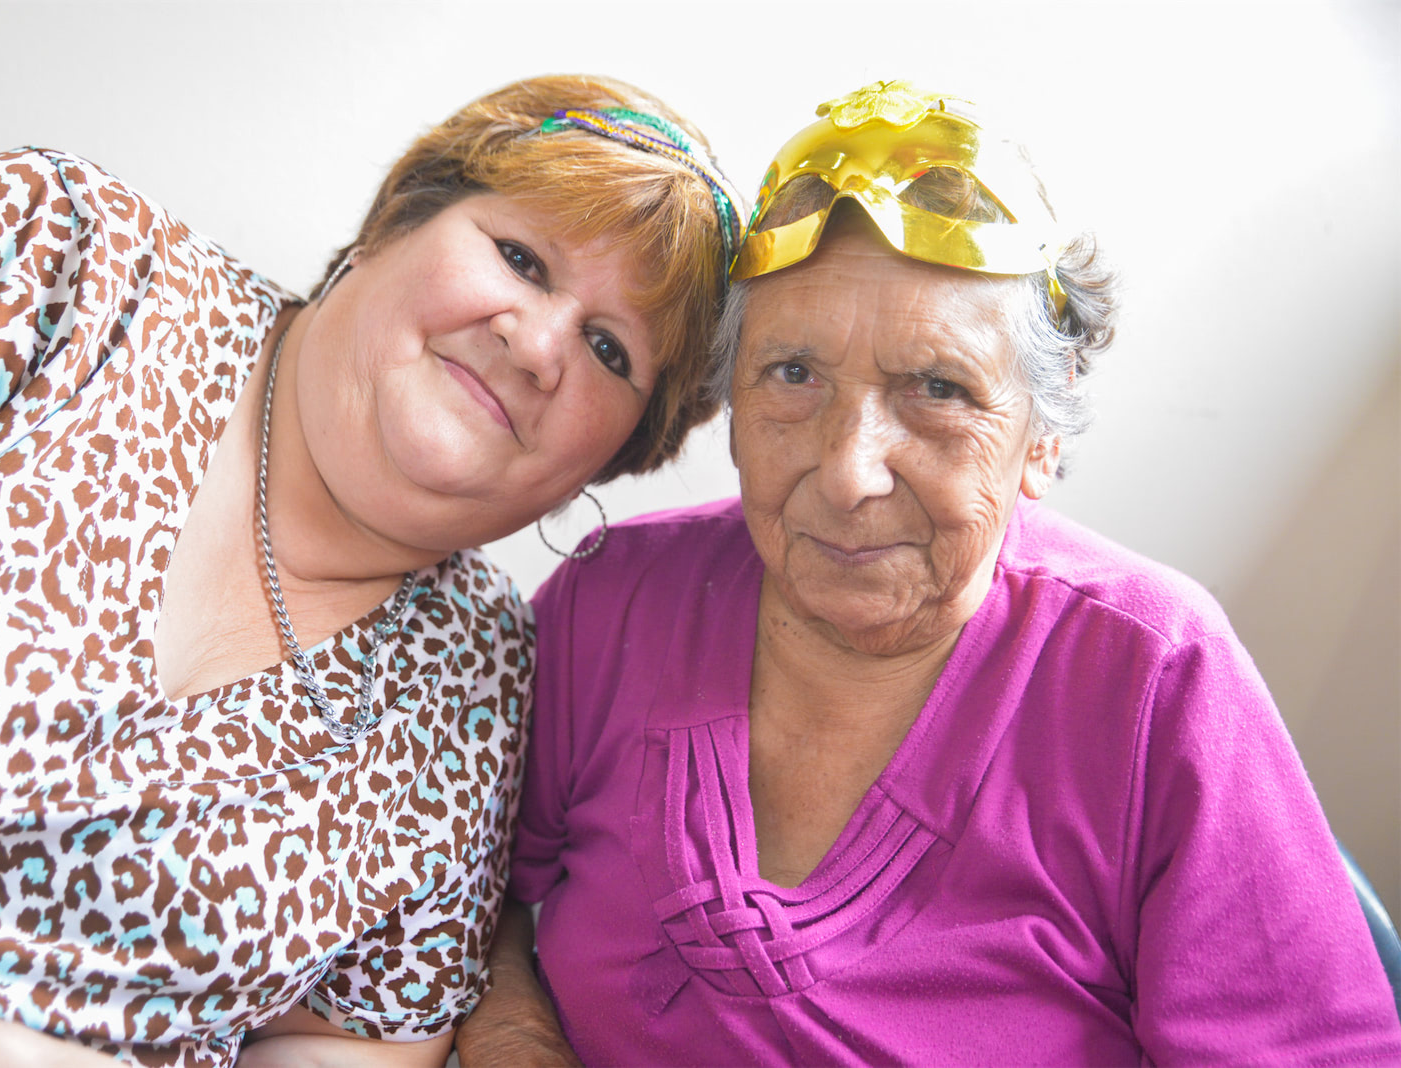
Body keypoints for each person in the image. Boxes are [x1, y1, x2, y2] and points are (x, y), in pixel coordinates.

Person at [0, 74, 740, 1068]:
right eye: (521, 258)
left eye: (608, 349)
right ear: (394, 222)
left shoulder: (483, 676)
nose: (540, 346)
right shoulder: (56, 258)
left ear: (610, 459)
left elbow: (358, 1048)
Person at [455, 80, 1401, 1065]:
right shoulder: (613, 603)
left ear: (1040, 437)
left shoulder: (1152, 677)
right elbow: (472, 904)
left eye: (937, 389)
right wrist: (518, 1036)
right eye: (792, 375)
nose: (849, 472)